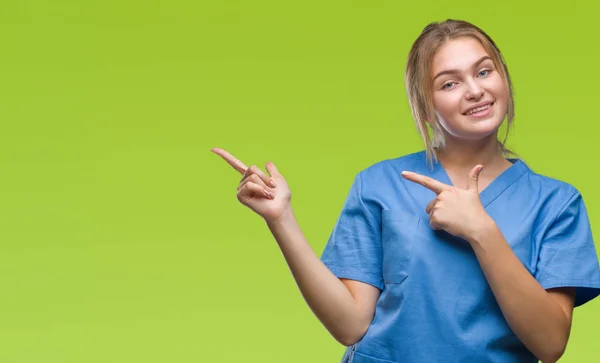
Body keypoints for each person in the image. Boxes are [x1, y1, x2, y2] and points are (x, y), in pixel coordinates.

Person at [212, 19, 600, 363]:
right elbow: (350, 326)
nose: (474, 91)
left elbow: (550, 344)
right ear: (427, 107)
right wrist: (282, 220)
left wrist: (481, 231)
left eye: (484, 72)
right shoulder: (380, 184)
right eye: (449, 83)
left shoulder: (556, 203)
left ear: (503, 80)